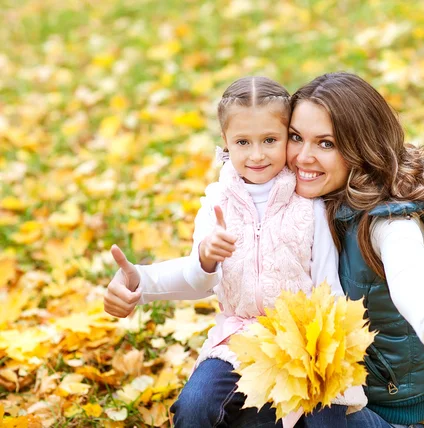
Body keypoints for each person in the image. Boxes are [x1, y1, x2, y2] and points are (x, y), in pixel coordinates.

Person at [103, 76, 365, 428]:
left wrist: (332, 358)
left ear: (287, 137)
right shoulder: (216, 203)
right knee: (194, 407)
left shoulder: (308, 202)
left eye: (270, 140)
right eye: (243, 142)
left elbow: (327, 281)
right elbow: (199, 281)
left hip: (303, 345)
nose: (257, 155)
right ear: (225, 142)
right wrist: (204, 258)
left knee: (322, 423)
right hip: (237, 338)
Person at [230, 72, 424, 428]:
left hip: (377, 411)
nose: (303, 157)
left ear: (361, 146)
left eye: (326, 143)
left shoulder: (390, 221)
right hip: (321, 390)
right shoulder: (311, 196)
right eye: (296, 138)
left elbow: (408, 276)